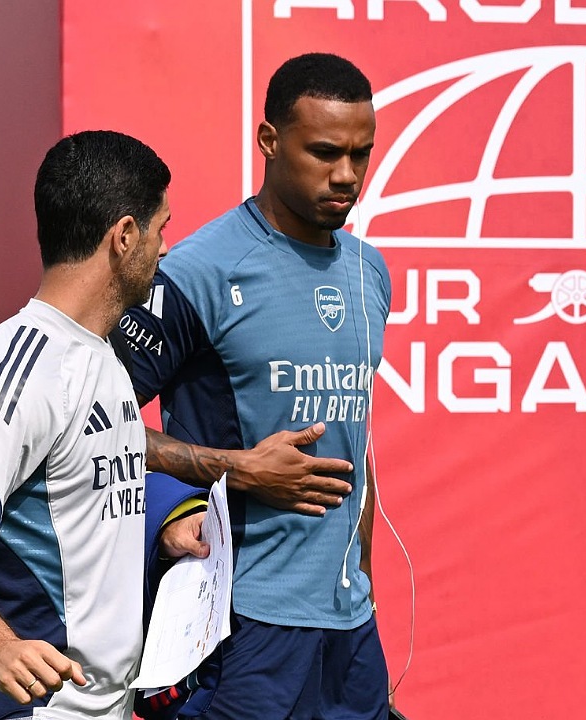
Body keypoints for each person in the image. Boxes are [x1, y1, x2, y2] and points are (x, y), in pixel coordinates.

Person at [117, 53, 392, 719]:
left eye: (361, 153)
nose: (347, 175)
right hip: (239, 624)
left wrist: (368, 585)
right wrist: (235, 470)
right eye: (325, 152)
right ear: (269, 141)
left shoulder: (370, 271)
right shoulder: (197, 274)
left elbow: (356, 450)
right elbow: (91, 423)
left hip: (351, 627)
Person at [0, 130, 210, 720]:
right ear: (124, 237)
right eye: (160, 228)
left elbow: (77, 499)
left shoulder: (101, 359)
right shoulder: (22, 364)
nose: (165, 249)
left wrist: (163, 526)